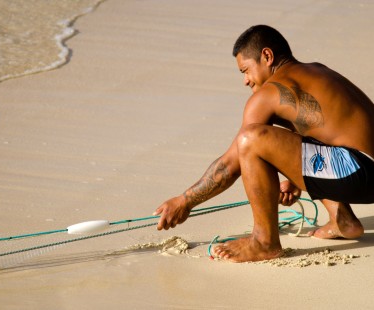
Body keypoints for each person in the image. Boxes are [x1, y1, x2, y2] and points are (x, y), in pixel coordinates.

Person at [153, 25, 374, 263]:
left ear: (267, 56)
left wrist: (185, 201)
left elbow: (230, 164)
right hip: (361, 167)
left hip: (357, 171)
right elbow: (324, 134)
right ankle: (343, 220)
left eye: (245, 70)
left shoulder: (268, 94)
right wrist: (293, 178)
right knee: (282, 135)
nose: (246, 81)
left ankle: (264, 242)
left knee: (250, 139)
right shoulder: (317, 71)